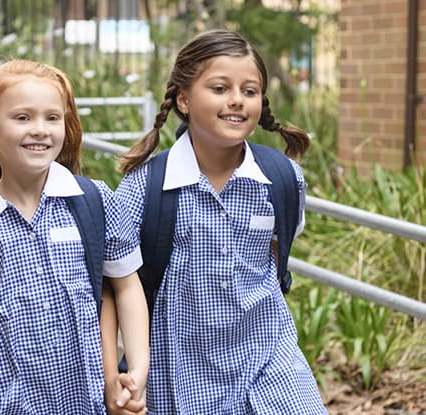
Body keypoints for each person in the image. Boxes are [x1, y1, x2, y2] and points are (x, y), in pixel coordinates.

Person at [109, 30, 328, 413]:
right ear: (183, 99)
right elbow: (116, 284)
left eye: (249, 91)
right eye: (220, 88)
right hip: (176, 369)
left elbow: (277, 253)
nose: (236, 102)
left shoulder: (281, 178)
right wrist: (116, 374)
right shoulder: (145, 186)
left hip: (269, 361)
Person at [0, 59, 149, 414]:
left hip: (81, 403)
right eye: (22, 118)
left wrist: (136, 369)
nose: (40, 129)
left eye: (52, 118)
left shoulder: (95, 201)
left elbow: (126, 285)